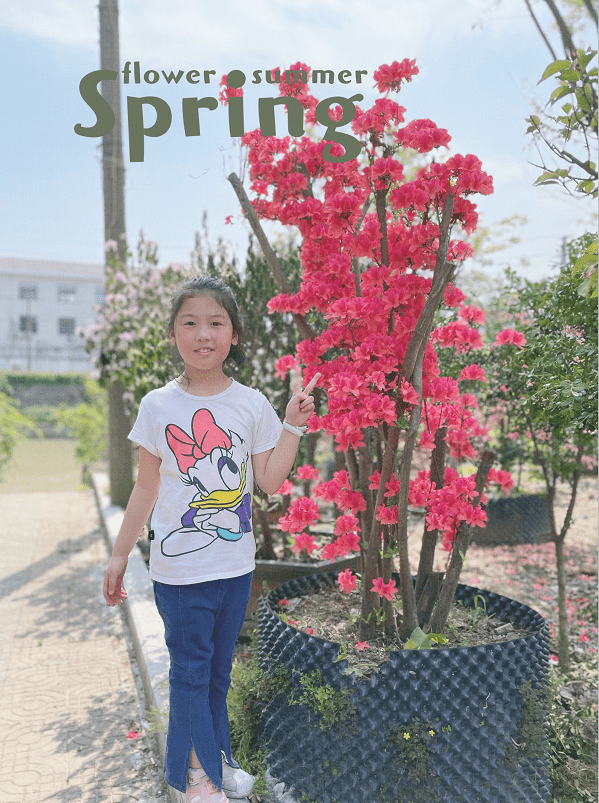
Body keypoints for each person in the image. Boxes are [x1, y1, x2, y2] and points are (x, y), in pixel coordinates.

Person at [103, 276, 319, 803]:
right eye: (190, 323)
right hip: (179, 576)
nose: (203, 334)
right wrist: (119, 553)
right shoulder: (157, 406)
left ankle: (217, 762)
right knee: (190, 674)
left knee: (217, 676)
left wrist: (291, 427)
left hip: (235, 567)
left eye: (215, 323)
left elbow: (268, 481)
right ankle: (194, 776)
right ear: (174, 334)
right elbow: (147, 487)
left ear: (234, 335)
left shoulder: (250, 404)